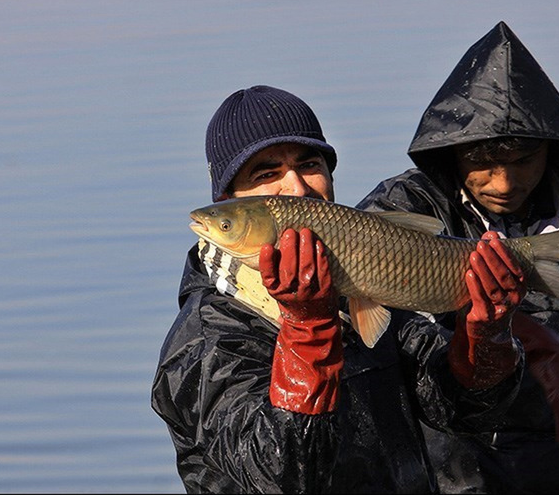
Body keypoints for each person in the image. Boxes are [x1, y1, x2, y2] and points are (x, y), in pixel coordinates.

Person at [151, 84, 528, 493]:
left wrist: (485, 339)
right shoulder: (206, 341)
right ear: (230, 198)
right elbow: (281, 475)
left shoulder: (362, 282)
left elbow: (466, 414)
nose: (296, 188)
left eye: (309, 164)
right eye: (266, 174)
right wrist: (307, 331)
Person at [357, 21, 559, 494]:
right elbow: (382, 332)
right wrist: (540, 345)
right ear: (453, 150)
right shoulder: (401, 209)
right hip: (457, 475)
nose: (504, 183)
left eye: (523, 160)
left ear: (551, 150)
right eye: (482, 161)